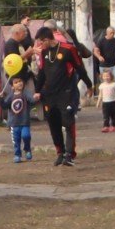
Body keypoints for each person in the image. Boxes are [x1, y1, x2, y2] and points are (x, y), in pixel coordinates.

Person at [33, 27, 83, 166]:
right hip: (50, 94)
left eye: (40, 42)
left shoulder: (67, 49)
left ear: (47, 39)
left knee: (68, 122)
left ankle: (69, 154)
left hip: (66, 92)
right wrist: (37, 90)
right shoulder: (44, 53)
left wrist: (89, 85)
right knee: (53, 124)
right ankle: (60, 152)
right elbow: (42, 73)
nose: (39, 46)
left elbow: (79, 67)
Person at [6, 75, 33, 162]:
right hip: (14, 123)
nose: (19, 83)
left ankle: (27, 149)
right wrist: (0, 99)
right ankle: (17, 155)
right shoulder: (10, 96)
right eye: (16, 82)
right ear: (12, 86)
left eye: (20, 81)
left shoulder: (25, 93)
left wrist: (35, 98)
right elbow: (4, 105)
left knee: (26, 136)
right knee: (16, 141)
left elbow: (31, 100)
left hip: (25, 121)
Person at [95, 26, 115, 91]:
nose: (113, 34)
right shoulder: (101, 41)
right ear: (107, 33)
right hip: (104, 65)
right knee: (104, 81)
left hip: (114, 64)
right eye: (111, 33)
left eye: (113, 33)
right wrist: (99, 56)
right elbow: (95, 50)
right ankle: (104, 94)